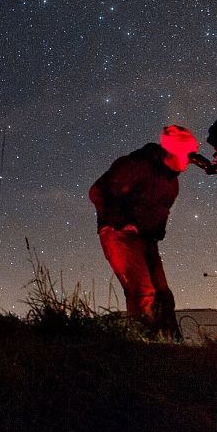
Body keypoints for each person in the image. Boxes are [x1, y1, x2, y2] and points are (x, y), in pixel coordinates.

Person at [88, 124, 200, 339]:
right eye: (189, 152)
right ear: (174, 151)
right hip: (120, 234)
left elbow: (160, 210)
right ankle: (142, 343)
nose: (191, 158)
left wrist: (157, 233)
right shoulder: (137, 164)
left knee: (164, 296)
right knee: (142, 290)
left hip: (147, 239)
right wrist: (120, 222)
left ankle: (168, 344)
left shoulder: (172, 182)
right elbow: (97, 192)